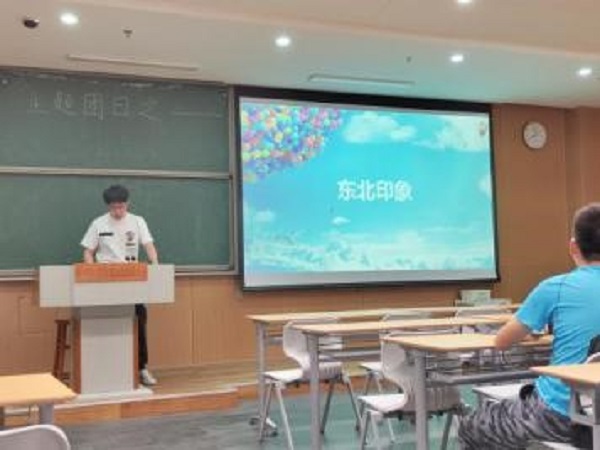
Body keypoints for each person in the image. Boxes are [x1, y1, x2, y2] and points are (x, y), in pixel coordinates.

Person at [458, 202, 600, 449]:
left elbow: (502, 341)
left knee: (471, 426)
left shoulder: (555, 288)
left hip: (562, 415)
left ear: (573, 246)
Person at [80, 184, 159, 387]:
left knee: (139, 320)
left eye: (121, 206)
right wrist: (92, 271)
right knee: (105, 322)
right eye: (114, 207)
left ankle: (141, 368)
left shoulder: (138, 221)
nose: (118, 211)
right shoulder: (98, 223)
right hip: (105, 279)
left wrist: (156, 265)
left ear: (128, 203)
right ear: (108, 206)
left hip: (132, 277)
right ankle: (104, 369)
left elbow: (149, 246)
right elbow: (88, 252)